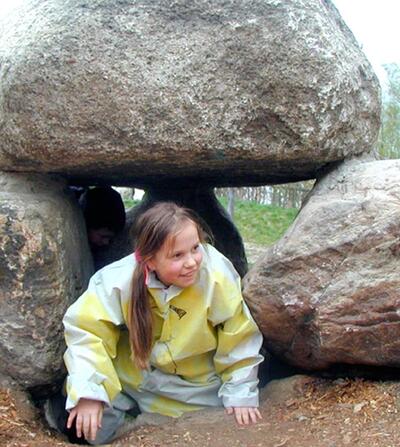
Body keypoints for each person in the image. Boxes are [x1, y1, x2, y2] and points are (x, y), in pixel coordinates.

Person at [63, 202, 264, 444]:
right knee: (89, 414)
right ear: (149, 261)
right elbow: (87, 330)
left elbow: (239, 334)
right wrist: (89, 393)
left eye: (195, 248)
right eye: (177, 255)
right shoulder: (117, 280)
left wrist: (240, 391)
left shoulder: (216, 275)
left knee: (216, 426)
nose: (191, 262)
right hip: (133, 374)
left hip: (194, 385)